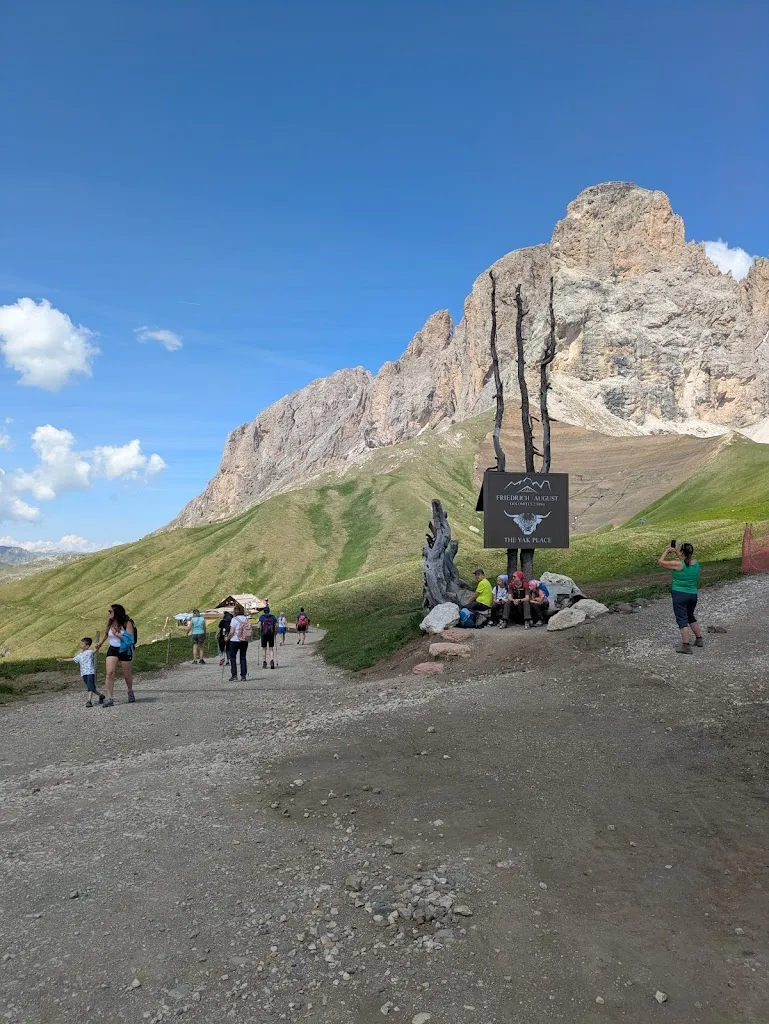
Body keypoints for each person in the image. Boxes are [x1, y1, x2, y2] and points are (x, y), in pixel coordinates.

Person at [658, 541, 703, 654]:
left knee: (682, 620)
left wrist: (667, 551)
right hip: (693, 594)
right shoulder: (696, 563)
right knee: (690, 616)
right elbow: (685, 560)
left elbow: (661, 562)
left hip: (680, 594)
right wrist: (677, 552)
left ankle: (686, 646)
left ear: (683, 552)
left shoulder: (678, 564)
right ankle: (699, 639)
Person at [94, 603, 136, 706]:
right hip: (112, 649)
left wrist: (118, 635)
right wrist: (100, 644)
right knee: (110, 673)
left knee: (126, 674)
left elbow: (130, 640)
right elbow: (106, 635)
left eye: (110, 611)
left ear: (116, 613)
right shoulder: (110, 623)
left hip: (125, 649)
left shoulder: (127, 623)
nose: (108, 613)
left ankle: (130, 691)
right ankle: (110, 698)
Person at [58, 637, 105, 707]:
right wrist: (63, 660)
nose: (81, 645)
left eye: (82, 644)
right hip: (83, 673)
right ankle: (101, 695)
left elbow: (96, 650)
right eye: (81, 643)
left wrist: (98, 646)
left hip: (90, 672)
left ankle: (89, 701)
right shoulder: (80, 655)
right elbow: (73, 659)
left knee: (90, 687)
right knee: (91, 687)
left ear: (87, 646)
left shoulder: (89, 652)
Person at [227, 602, 251, 680]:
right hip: (244, 640)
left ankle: (234, 675)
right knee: (243, 657)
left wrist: (227, 638)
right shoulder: (245, 618)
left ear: (235, 611)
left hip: (234, 640)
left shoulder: (234, 619)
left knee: (233, 657)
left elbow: (231, 632)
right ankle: (243, 676)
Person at [258, 604, 278, 669]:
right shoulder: (273, 617)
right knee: (271, 648)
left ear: (264, 611)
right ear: (269, 610)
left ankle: (264, 662)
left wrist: (260, 631)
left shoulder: (262, 617)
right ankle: (272, 661)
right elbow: (276, 625)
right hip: (271, 634)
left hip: (264, 634)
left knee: (264, 649)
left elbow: (259, 626)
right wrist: (275, 632)